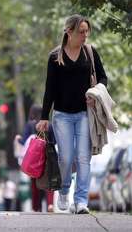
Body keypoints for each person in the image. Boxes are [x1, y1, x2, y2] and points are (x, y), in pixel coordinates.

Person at [36, 14, 108, 214]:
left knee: (83, 157)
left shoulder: (90, 53)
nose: (85, 35)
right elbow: (49, 89)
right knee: (66, 158)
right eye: (81, 32)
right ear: (69, 32)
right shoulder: (55, 57)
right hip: (62, 116)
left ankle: (81, 201)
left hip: (85, 114)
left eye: (87, 31)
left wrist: (95, 94)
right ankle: (65, 190)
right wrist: (44, 117)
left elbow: (103, 78)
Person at [16, 104, 55, 212]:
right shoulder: (49, 125)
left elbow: (24, 141)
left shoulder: (30, 125)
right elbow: (54, 141)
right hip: (47, 157)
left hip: (35, 159)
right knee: (48, 181)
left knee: (34, 183)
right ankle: (50, 204)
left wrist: (18, 138)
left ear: (32, 113)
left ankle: (36, 207)